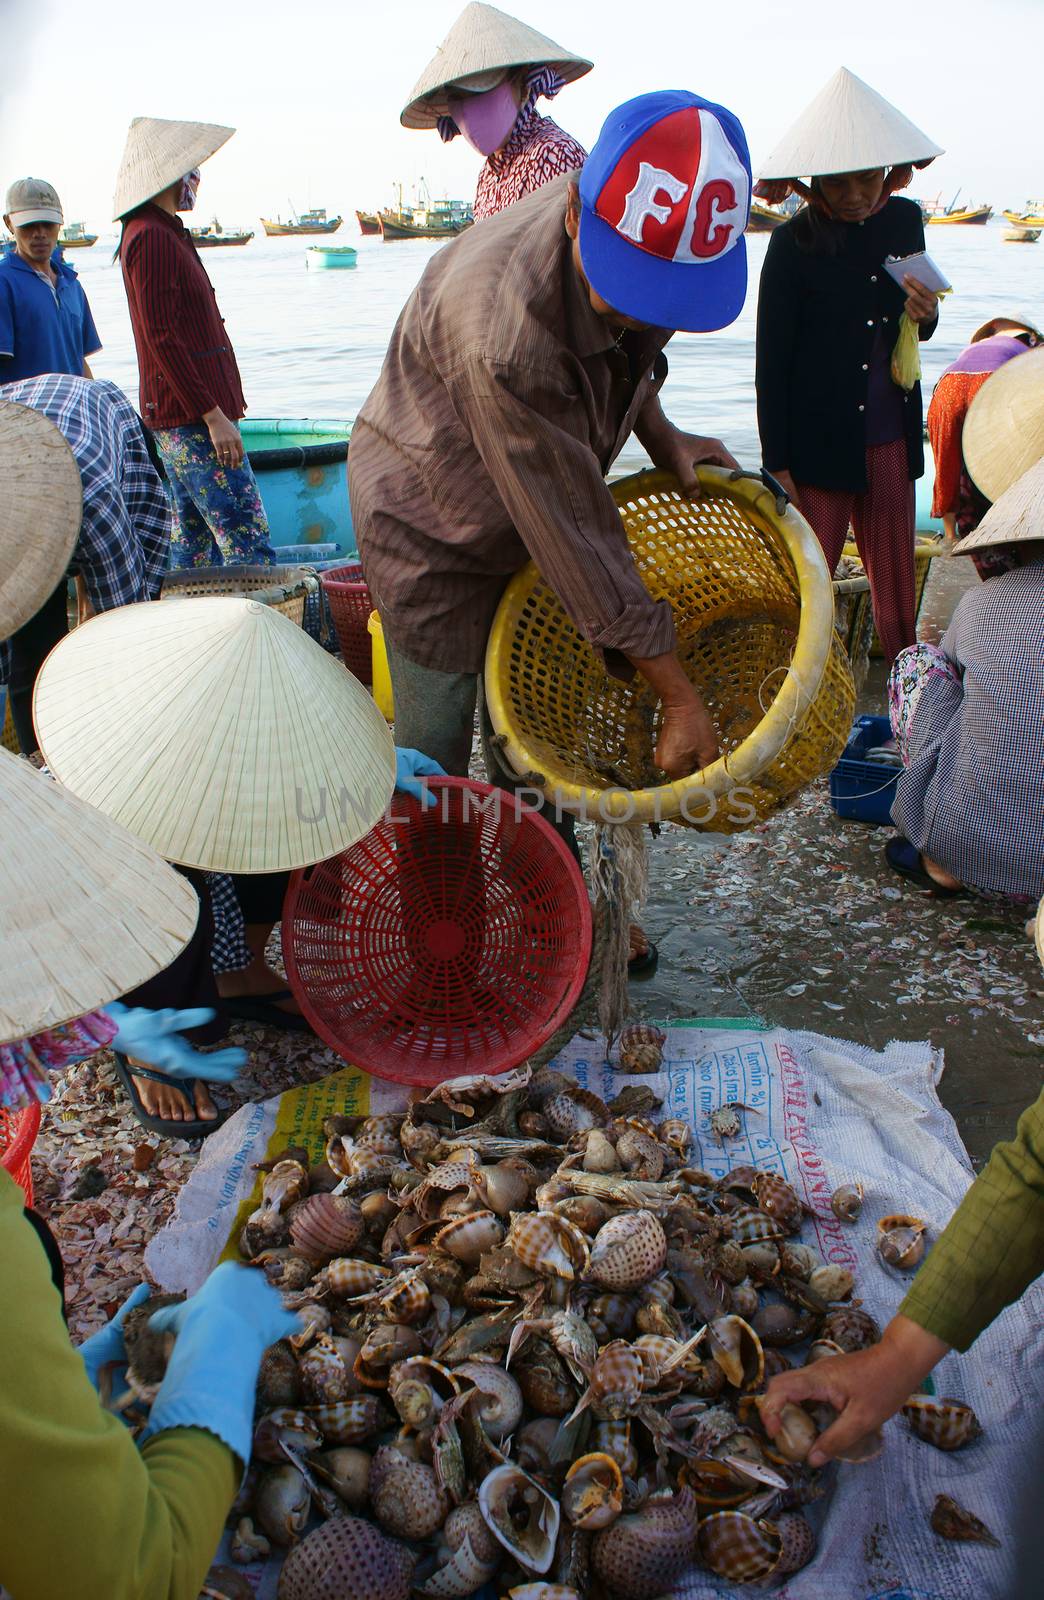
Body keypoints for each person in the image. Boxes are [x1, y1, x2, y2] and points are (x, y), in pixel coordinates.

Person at [349, 90, 751, 975]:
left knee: (539, 733)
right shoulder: (507, 333)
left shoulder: (624, 219)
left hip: (531, 493)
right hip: (429, 523)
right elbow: (576, 532)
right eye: (628, 291)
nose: (640, 313)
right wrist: (681, 697)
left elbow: (628, 352)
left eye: (665, 297)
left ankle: (552, 919)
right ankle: (441, 939)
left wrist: (664, 432)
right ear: (576, 212)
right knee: (440, 758)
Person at [31, 590, 444, 1135]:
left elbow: (304, 765)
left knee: (297, 813)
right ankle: (151, 1036)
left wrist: (374, 764)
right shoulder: (105, 758)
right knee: (163, 877)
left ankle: (241, 972)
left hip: (210, 772)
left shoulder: (264, 740)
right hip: (133, 824)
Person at [755, 68, 943, 666]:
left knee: (896, 589)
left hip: (889, 433)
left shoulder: (904, 220)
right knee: (808, 584)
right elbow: (771, 362)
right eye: (840, 182)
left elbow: (916, 326)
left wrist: (926, 312)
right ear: (814, 183)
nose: (858, 194)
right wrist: (776, 464)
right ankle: (788, 700)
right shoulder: (791, 245)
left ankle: (907, 699)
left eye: (869, 178)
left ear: (891, 172)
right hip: (817, 449)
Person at [112, 117, 276, 569]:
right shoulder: (151, 237)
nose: (196, 180)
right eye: (191, 170)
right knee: (246, 538)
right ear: (170, 175)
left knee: (194, 546)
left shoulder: (160, 232)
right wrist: (213, 416)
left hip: (184, 416)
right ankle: (259, 637)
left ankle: (193, 634)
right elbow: (162, 338)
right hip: (191, 417)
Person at [884, 455, 1044, 899]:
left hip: (962, 850)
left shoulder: (982, 602)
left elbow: (947, 671)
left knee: (916, 664)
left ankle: (942, 862)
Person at [0, 380, 170, 755]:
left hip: (100, 423)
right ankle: (38, 760)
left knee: (127, 630)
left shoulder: (94, 502)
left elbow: (127, 621)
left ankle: (135, 740)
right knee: (29, 650)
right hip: (16, 423)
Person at [401, 3, 590, 221]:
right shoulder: (488, 175)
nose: (467, 108)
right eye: (458, 97)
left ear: (522, 83)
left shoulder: (554, 154)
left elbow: (573, 249)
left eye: (478, 92)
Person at [926, 313, 1040, 568]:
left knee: (946, 460)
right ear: (1029, 335)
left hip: (948, 384)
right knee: (1003, 455)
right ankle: (1004, 524)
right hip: (991, 381)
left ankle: (951, 536)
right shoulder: (1031, 348)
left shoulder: (975, 347)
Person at [0, 176, 101, 383]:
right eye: (29, 225)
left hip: (71, 410)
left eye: (48, 224)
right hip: (24, 413)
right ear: (9, 223)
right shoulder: (4, 282)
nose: (40, 233)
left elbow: (79, 359)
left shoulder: (72, 284)